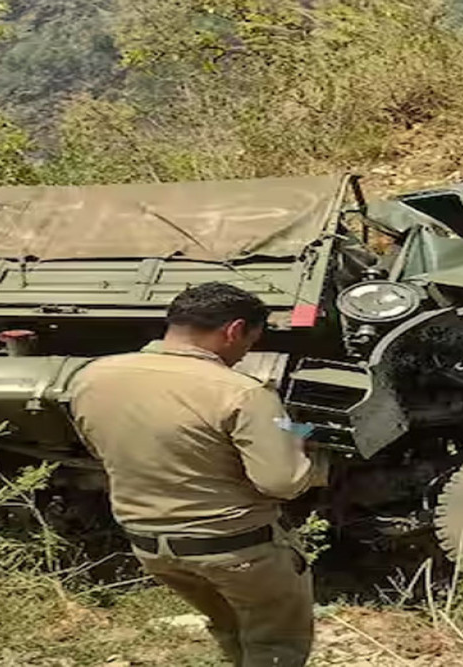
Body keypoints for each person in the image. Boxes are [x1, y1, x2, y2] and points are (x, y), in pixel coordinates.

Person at [70, 282, 327, 667]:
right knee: (275, 647)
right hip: (237, 549)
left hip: (152, 546)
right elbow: (281, 482)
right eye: (249, 342)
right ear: (235, 330)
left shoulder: (91, 377)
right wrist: (309, 453)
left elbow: (105, 449)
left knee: (229, 629)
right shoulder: (243, 393)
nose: (243, 355)